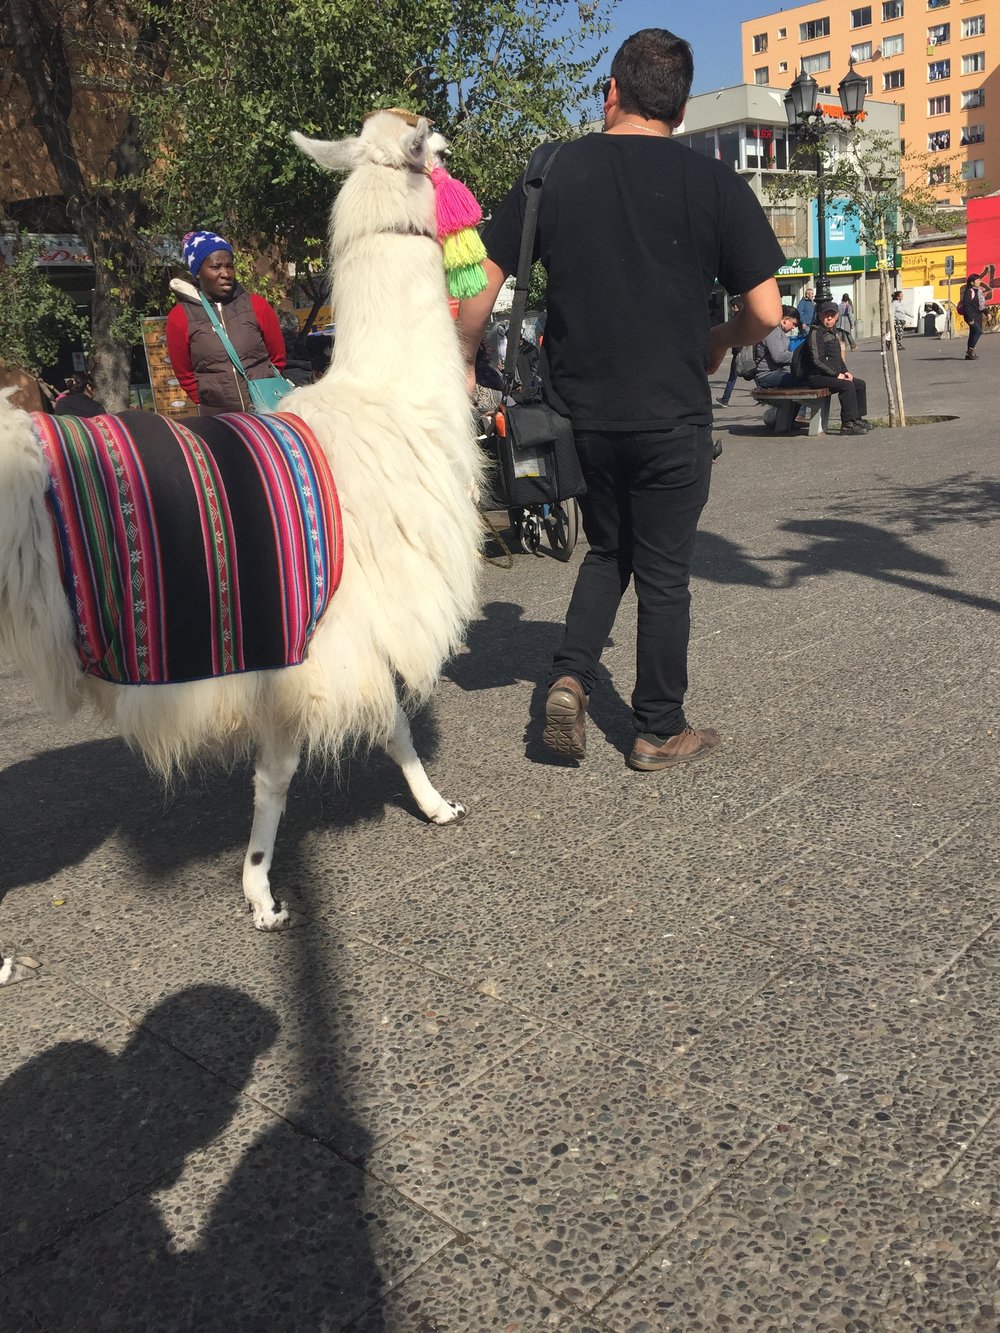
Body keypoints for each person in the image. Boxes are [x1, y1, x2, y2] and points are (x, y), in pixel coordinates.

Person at [456, 27, 783, 771]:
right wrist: (721, 339)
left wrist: (464, 363)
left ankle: (571, 672)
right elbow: (766, 313)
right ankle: (658, 729)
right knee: (663, 570)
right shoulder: (716, 185)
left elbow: (479, 285)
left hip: (581, 419)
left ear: (612, 92)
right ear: (681, 106)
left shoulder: (554, 171)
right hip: (672, 414)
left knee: (609, 549)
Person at [165, 230, 285, 414]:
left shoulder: (256, 305)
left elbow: (277, 358)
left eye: (230, 266)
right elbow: (184, 373)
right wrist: (208, 399)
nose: (226, 273)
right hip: (219, 420)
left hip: (267, 411)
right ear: (198, 272)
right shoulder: (180, 317)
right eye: (216, 267)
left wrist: (264, 387)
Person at [806, 301, 871, 435]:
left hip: (831, 375)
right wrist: (836, 375)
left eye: (832, 315)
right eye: (826, 315)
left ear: (837, 317)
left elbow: (837, 358)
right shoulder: (816, 333)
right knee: (847, 386)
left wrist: (845, 371)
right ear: (820, 315)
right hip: (817, 377)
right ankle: (847, 424)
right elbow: (817, 360)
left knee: (859, 384)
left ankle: (857, 418)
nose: (829, 318)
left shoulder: (833, 332)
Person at [754, 307, 800, 388]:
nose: (793, 327)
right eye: (794, 323)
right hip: (766, 376)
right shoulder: (772, 331)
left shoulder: (780, 332)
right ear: (786, 319)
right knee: (800, 380)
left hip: (777, 372)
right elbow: (779, 357)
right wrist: (798, 355)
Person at [715, 296, 742, 407]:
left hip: (739, 352)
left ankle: (725, 399)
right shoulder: (745, 318)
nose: (732, 309)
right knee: (753, 372)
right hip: (745, 351)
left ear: (736, 307)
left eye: (733, 306)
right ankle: (762, 394)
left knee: (733, 377)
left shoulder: (736, 320)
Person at [962, 272, 986, 360]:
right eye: (977, 280)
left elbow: (982, 304)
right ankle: (970, 350)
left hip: (977, 316)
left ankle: (969, 355)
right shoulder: (969, 291)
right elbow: (966, 305)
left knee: (972, 333)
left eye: (979, 279)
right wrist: (969, 318)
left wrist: (987, 313)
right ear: (972, 282)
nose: (980, 281)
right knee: (978, 331)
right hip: (971, 317)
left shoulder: (979, 291)